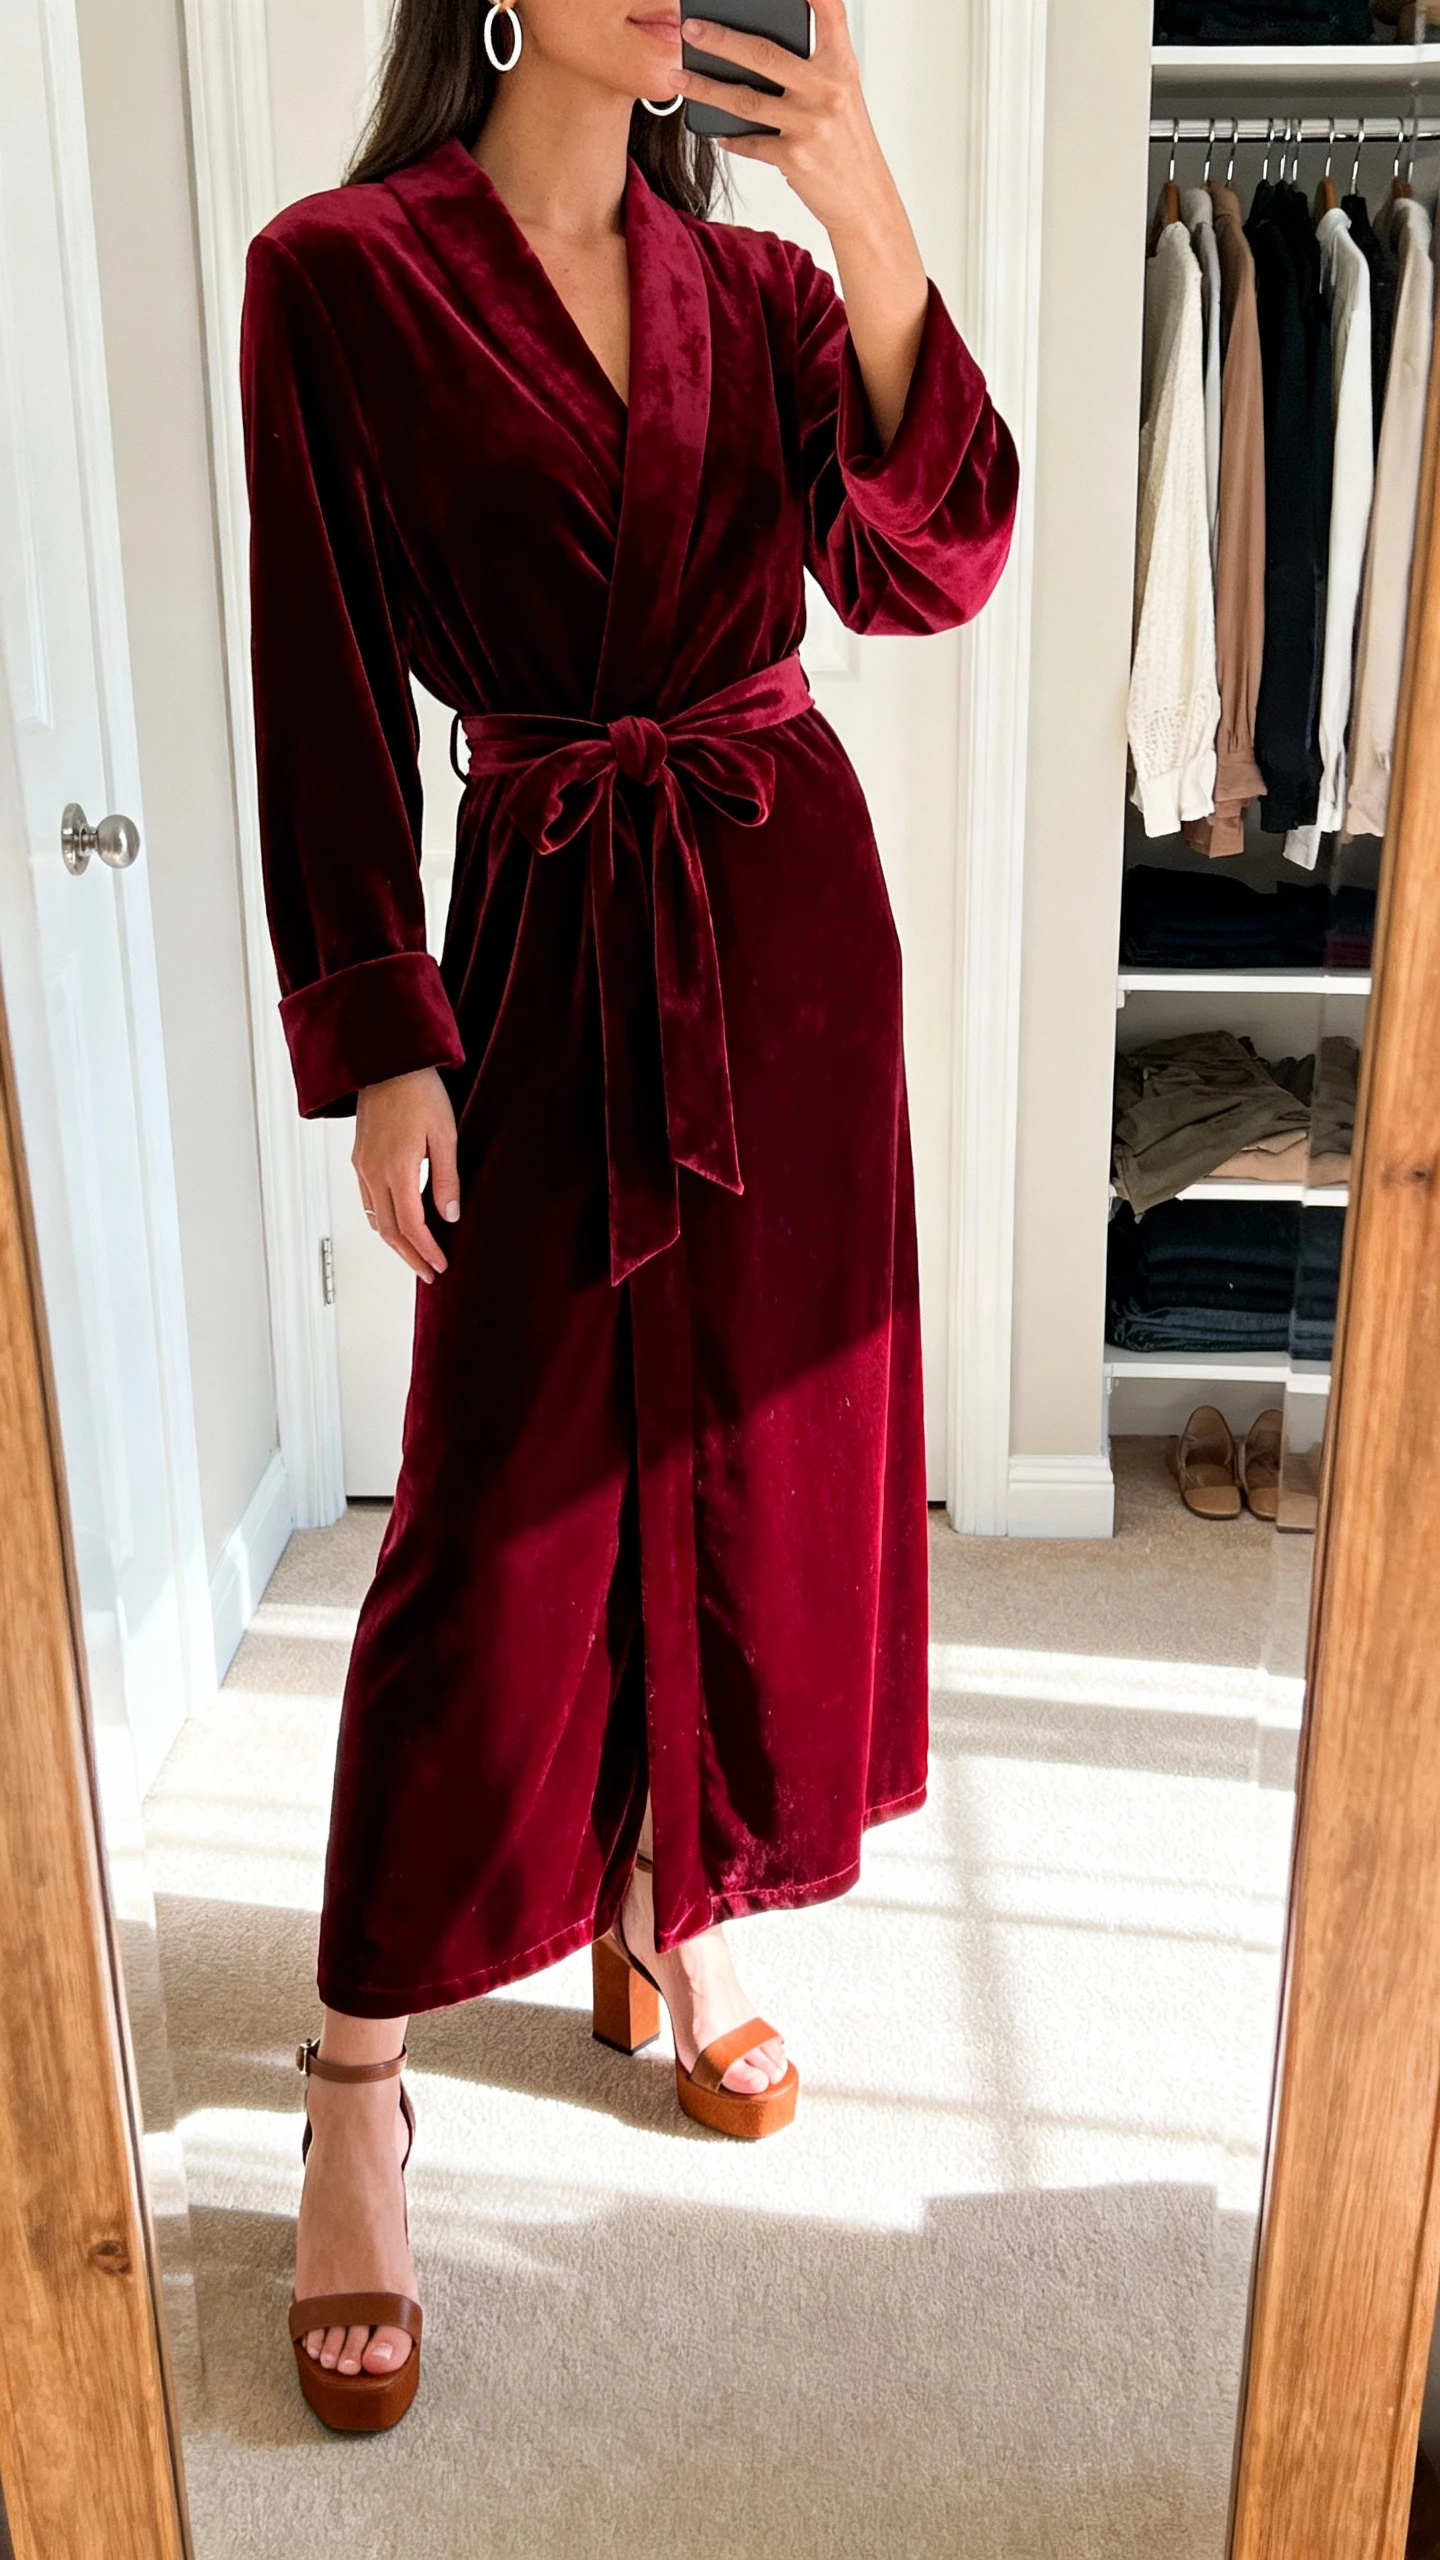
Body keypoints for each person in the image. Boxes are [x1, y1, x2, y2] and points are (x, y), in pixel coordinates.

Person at [241, 0, 1017, 2433]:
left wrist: (863, 186)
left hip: (786, 939)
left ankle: (669, 1904)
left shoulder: (773, 297)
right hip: (552, 942)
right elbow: (322, 672)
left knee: (760, 1472)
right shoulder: (337, 275)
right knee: (491, 1516)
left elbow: (933, 568)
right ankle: (359, 2066)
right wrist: (384, 1032)